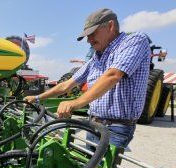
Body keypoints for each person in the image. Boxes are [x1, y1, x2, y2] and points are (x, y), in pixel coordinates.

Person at [25, 8, 150, 149]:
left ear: (110, 26)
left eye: (93, 33)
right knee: (87, 167)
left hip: (116, 128)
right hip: (93, 124)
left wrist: (75, 103)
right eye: (87, 36)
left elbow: (113, 75)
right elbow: (67, 84)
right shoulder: (97, 57)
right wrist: (37, 98)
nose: (89, 40)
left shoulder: (134, 40)